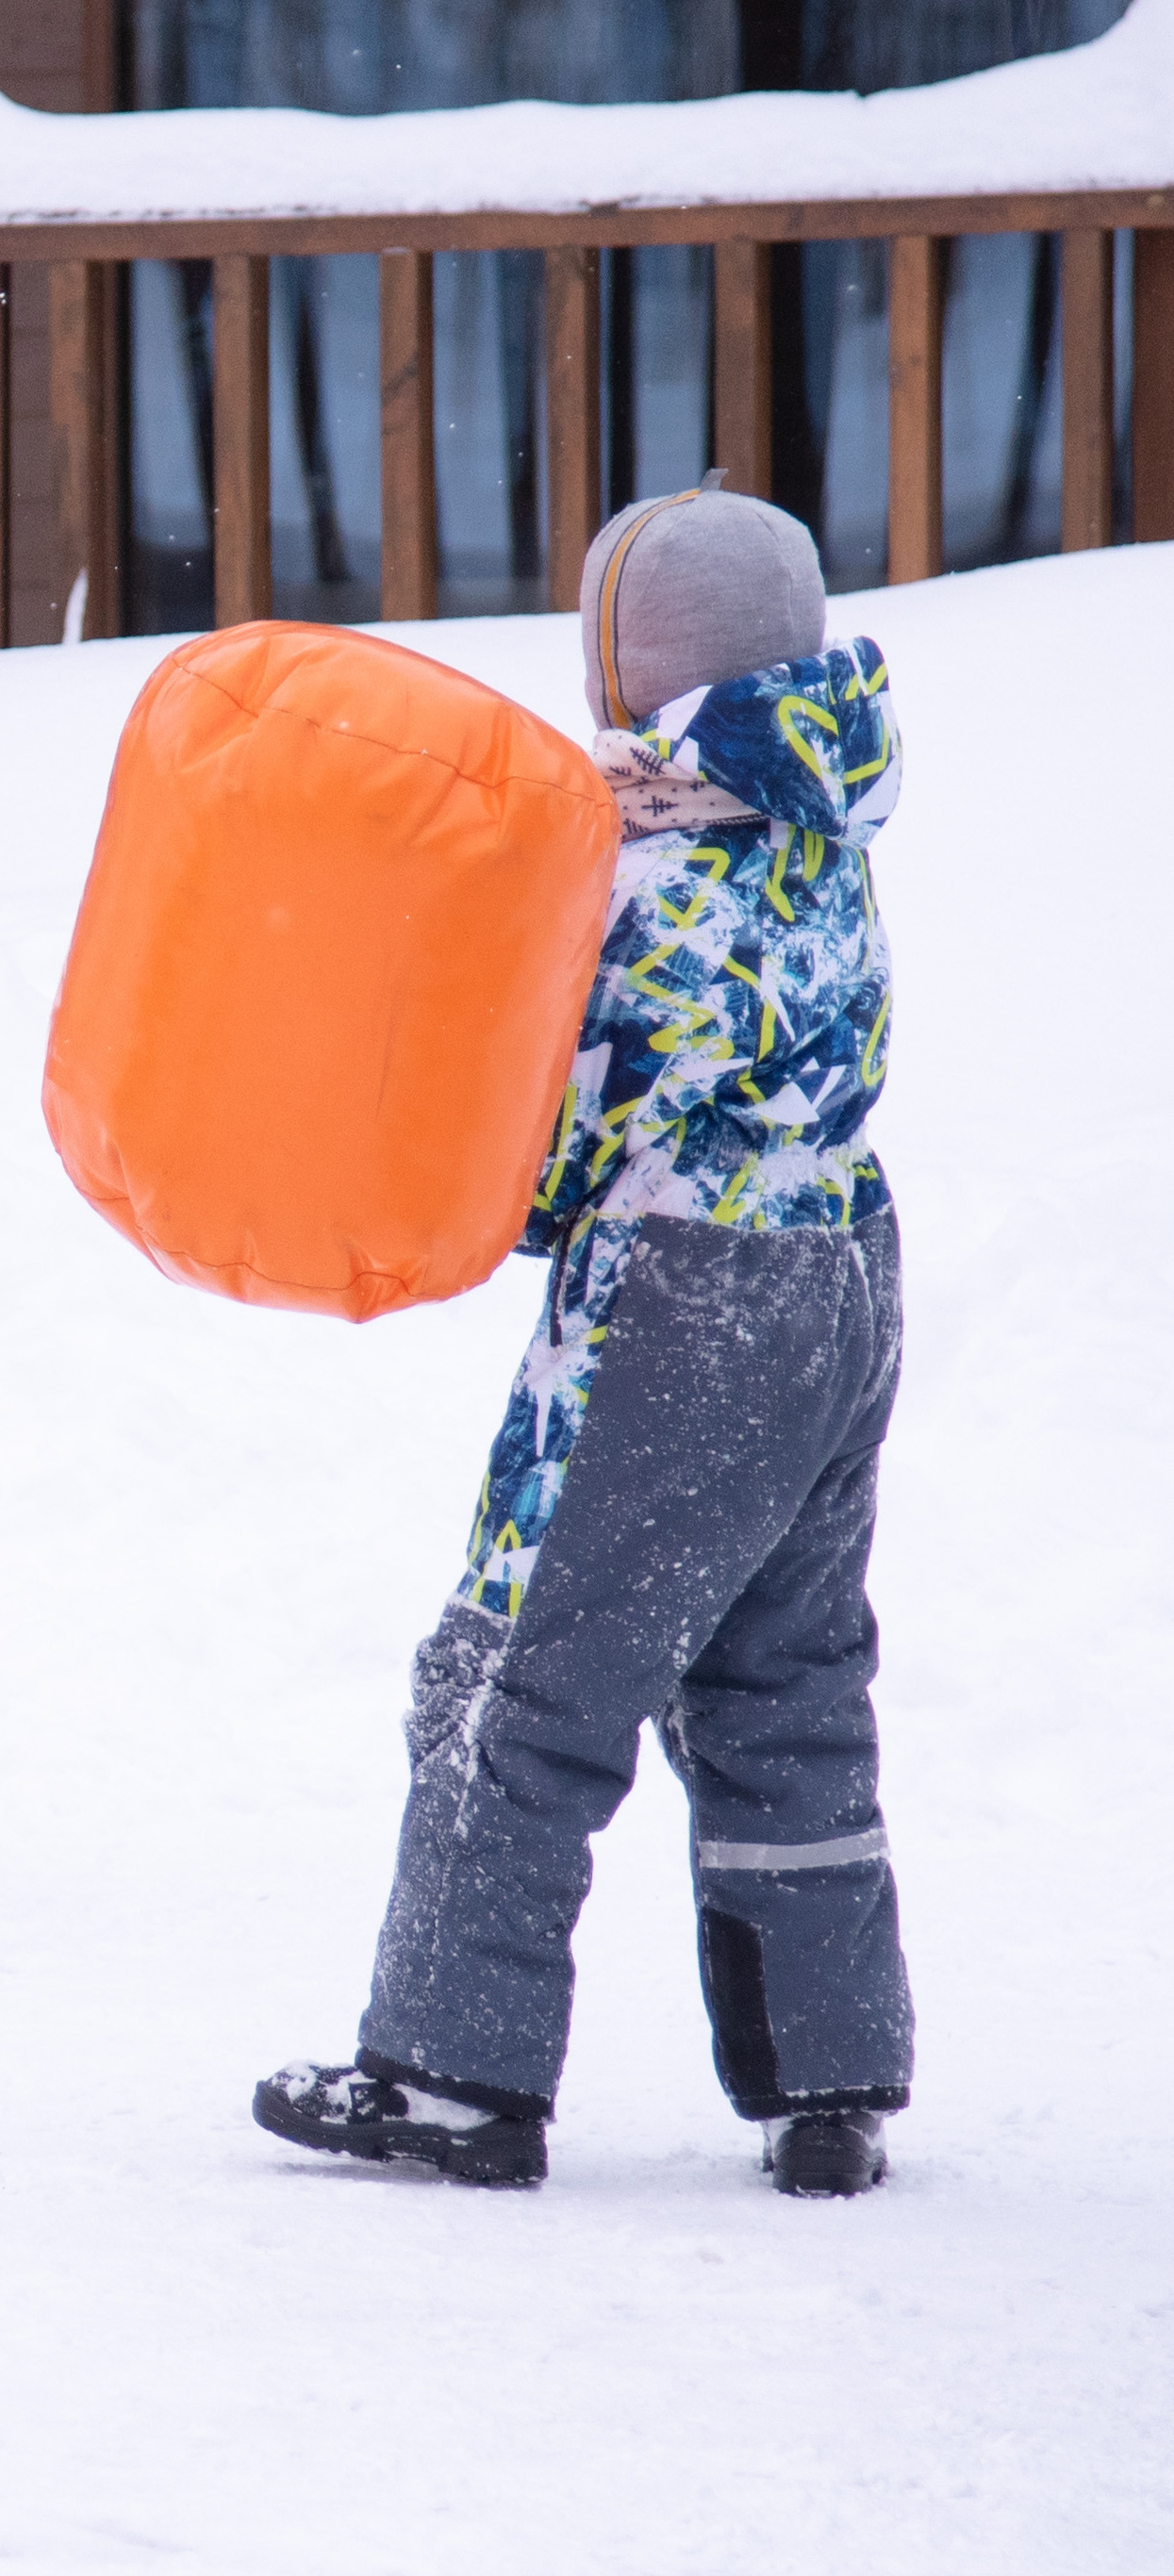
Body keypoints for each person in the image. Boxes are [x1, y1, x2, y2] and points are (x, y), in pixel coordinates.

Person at [256, 484, 912, 2198]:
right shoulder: (818, 814)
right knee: (785, 1687)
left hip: (674, 1300)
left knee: (515, 1684)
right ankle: (825, 2083)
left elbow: (540, 1151)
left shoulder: (638, 866)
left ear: (636, 664)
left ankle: (454, 2078)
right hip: (839, 1268)